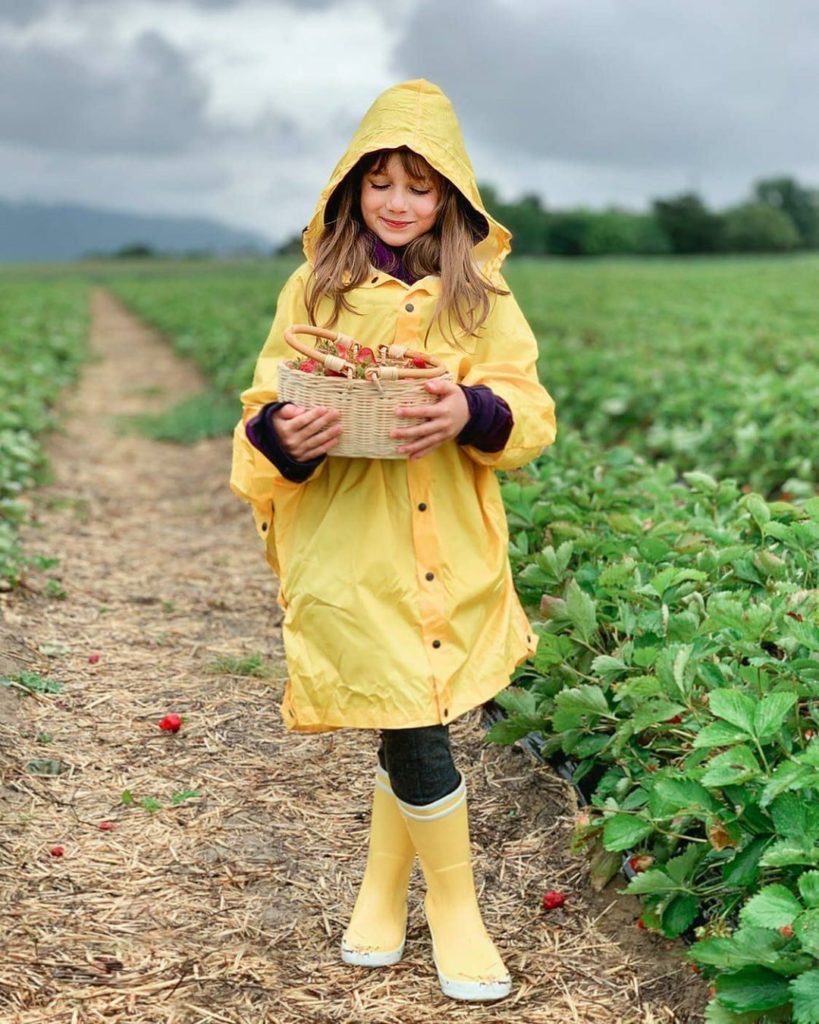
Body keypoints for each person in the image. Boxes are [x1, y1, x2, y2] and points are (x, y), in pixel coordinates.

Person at [230, 79, 556, 1002]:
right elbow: (263, 406)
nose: (399, 201)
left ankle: (381, 891)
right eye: (380, 182)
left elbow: (528, 413)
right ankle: (457, 913)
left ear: (450, 195)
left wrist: (468, 407)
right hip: (350, 541)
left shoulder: (479, 294)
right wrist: (280, 436)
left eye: (419, 184)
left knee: (411, 702)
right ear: (350, 189)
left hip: (446, 538)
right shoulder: (317, 287)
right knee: (413, 715)